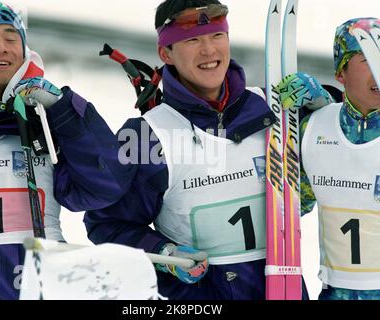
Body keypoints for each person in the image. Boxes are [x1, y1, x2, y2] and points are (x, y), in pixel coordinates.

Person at [84, 0, 332, 300]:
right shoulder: (148, 135)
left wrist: (324, 112)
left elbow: (346, 158)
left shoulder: (272, 105)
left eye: (217, 36)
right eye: (192, 40)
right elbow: (107, 223)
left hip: (284, 287)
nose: (209, 50)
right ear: (166, 53)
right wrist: (164, 253)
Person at [0, 0, 132, 300]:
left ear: (23, 52)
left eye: (11, 38)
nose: (0, 47)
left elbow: (105, 187)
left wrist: (63, 109)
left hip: (42, 286)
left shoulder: (46, 119)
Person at [283, 17, 380, 300]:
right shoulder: (314, 128)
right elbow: (288, 209)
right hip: (335, 292)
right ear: (341, 73)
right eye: (367, 60)